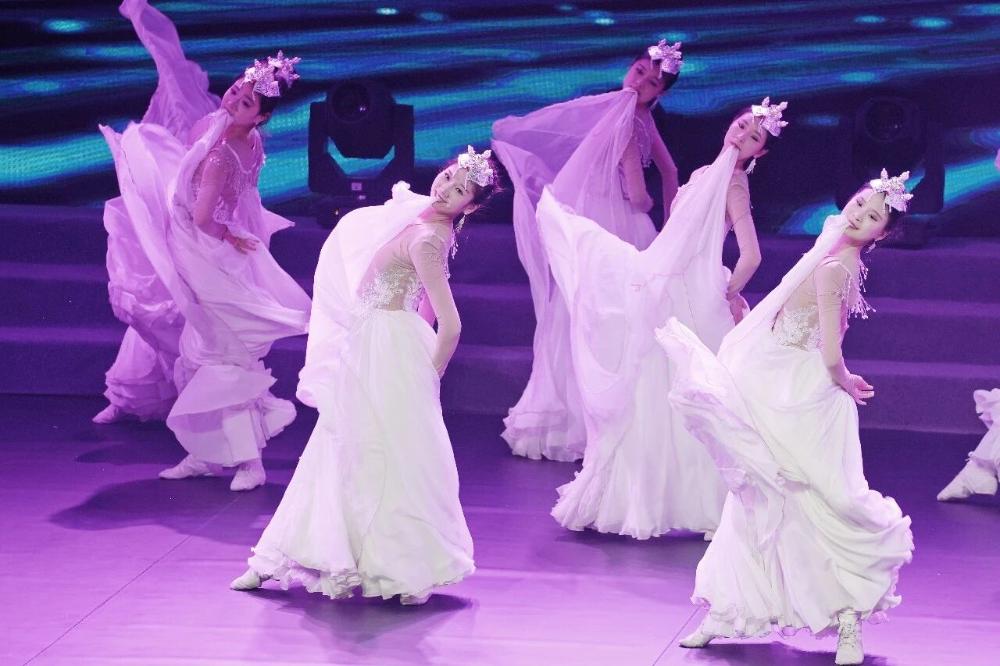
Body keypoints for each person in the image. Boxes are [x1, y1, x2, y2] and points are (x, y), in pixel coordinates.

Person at [655, 170, 916, 665]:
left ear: (881, 234)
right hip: (778, 385)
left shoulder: (835, 266)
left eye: (872, 217)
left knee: (816, 506)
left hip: (801, 394)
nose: (859, 216)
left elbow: (830, 351)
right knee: (758, 500)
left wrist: (844, 378)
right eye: (860, 204)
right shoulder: (835, 253)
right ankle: (729, 609)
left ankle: (847, 620)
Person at [230, 148, 500, 605]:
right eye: (447, 178)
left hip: (386, 348)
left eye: (458, 191)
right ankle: (282, 559)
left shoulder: (428, 238)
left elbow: (451, 324)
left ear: (469, 207)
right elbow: (423, 302)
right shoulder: (425, 222)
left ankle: (395, 568)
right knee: (351, 449)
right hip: (376, 344)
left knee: (371, 453)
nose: (444, 190)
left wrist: (427, 374)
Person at [540, 99, 784, 539]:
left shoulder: (734, 184)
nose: (743, 135)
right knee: (650, 391)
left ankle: (697, 503)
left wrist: (728, 292)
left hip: (691, 297)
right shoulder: (704, 174)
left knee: (677, 395)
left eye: (754, 137)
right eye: (743, 125)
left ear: (759, 152)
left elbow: (752, 255)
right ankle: (640, 499)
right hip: (663, 286)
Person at [492, 41, 682, 462]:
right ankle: (596, 421)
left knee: (596, 313)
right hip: (611, 221)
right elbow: (640, 192)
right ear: (630, 67)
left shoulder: (635, 116)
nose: (641, 83)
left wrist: (670, 217)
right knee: (610, 313)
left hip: (605, 215)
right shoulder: (626, 118)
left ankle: (585, 418)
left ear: (660, 93)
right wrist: (654, 208)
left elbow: (669, 171)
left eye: (652, 82)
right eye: (639, 72)